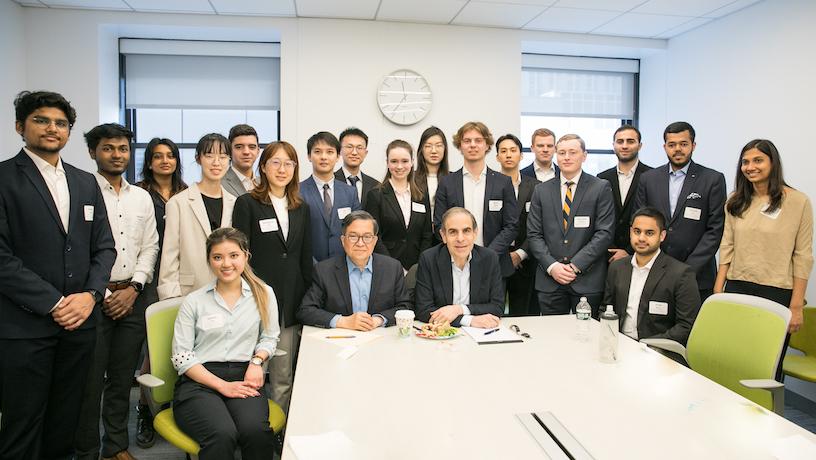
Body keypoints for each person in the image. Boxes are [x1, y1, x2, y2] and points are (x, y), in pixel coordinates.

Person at [0, 90, 116, 459]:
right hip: (24, 327)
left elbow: (104, 248)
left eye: (61, 123)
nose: (52, 128)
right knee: (22, 424)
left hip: (79, 326)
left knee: (66, 423)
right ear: (20, 126)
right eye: (41, 120)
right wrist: (53, 302)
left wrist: (90, 296)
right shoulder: (4, 178)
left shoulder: (85, 182)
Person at [73, 123, 159, 460]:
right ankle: (87, 450)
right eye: (108, 148)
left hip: (133, 297)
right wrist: (105, 294)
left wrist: (135, 286)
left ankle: (116, 447)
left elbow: (150, 246)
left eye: (122, 148)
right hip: (93, 299)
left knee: (123, 379)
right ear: (93, 152)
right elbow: (77, 249)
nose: (116, 154)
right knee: (90, 381)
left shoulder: (141, 197)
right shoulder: (81, 191)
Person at [171, 227, 280, 460]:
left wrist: (257, 361)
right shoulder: (195, 301)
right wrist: (222, 385)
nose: (226, 263)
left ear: (245, 256)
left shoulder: (264, 293)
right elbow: (182, 356)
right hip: (200, 380)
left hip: (244, 375)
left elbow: (270, 337)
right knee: (221, 434)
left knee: (256, 432)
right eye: (217, 257)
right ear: (209, 261)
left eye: (233, 255)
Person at [715, 139, 813, 379]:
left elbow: (803, 256)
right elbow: (727, 246)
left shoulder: (797, 202)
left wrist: (797, 305)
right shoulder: (735, 201)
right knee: (735, 358)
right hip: (737, 288)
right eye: (745, 162)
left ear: (773, 163)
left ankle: (767, 414)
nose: (750, 167)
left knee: (768, 365)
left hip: (777, 291)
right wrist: (718, 290)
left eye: (758, 160)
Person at [232, 141, 312, 414]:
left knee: (283, 373)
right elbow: (239, 256)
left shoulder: (301, 207)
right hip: (256, 300)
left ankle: (277, 430)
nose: (282, 169)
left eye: (288, 163)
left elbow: (304, 256)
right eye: (275, 162)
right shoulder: (247, 204)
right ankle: (251, 425)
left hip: (290, 300)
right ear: (263, 167)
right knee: (251, 370)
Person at [134, 136, 188, 448]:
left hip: (181, 275)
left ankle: (174, 408)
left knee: (180, 345)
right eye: (158, 156)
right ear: (149, 161)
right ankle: (146, 409)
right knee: (153, 348)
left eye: (170, 155)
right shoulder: (140, 193)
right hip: (150, 276)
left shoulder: (185, 192)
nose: (164, 161)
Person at [634, 121, 726, 301]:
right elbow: (640, 221)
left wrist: (687, 269)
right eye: (672, 144)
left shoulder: (712, 179)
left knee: (695, 328)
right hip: (654, 270)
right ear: (664, 147)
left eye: (683, 144)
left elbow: (715, 229)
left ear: (693, 145)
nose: (677, 149)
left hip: (696, 275)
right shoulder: (648, 179)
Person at [527, 134, 615, 317]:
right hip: (550, 280)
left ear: (584, 155)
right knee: (552, 338)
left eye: (572, 152)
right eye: (562, 152)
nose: (566, 157)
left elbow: (604, 233)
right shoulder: (541, 191)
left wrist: (575, 266)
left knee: (586, 338)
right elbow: (534, 234)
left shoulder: (600, 187)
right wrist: (553, 267)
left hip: (586, 279)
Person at [297, 211, 411, 329]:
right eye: (353, 236)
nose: (360, 243)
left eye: (367, 237)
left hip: (380, 337)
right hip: (339, 339)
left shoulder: (392, 268)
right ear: (343, 240)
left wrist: (378, 320)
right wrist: (343, 321)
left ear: (374, 241)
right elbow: (306, 311)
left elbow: (405, 306)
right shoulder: (324, 270)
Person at [603, 207, 700, 345]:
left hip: (658, 353)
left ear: (662, 235)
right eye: (637, 232)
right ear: (630, 232)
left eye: (649, 233)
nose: (641, 238)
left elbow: (686, 326)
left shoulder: (681, 274)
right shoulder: (617, 268)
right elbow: (606, 309)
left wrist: (647, 346)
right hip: (619, 346)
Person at [158, 133, 237, 300]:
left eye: (223, 157)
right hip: (189, 292)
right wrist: (170, 296)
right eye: (209, 156)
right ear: (198, 158)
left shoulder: (234, 202)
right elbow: (169, 255)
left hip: (226, 291)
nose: (216, 162)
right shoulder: (178, 203)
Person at [433, 121, 518, 265]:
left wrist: (489, 255)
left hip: (494, 262)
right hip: (455, 261)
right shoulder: (447, 183)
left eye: (478, 140)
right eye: (467, 141)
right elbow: (439, 225)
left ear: (487, 145)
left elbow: (511, 226)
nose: (473, 145)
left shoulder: (503, 183)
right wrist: (460, 250)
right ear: (460, 146)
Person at [415, 207, 504, 328]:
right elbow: (424, 310)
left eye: (466, 231)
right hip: (441, 336)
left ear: (475, 233)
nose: (460, 239)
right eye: (453, 232)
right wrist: (468, 320)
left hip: (480, 334)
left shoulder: (489, 259)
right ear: (443, 236)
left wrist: (459, 309)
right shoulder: (429, 259)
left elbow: (497, 307)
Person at [364, 139, 433, 271]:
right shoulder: (375, 195)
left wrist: (419, 265)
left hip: (417, 267)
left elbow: (427, 234)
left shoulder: (421, 195)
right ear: (387, 163)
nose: (399, 166)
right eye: (394, 161)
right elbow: (373, 235)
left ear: (412, 162)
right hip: (385, 266)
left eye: (405, 161)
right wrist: (392, 266)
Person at [496, 134, 540, 315]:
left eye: (513, 151)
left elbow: (539, 226)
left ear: (521, 155)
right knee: (493, 314)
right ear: (497, 156)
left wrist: (521, 254)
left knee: (524, 316)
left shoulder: (537, 187)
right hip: (496, 260)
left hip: (526, 262)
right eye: (503, 151)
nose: (508, 155)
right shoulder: (489, 185)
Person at [300, 131, 361, 262]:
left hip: (345, 265)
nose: (324, 157)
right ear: (309, 156)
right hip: (310, 267)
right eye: (317, 152)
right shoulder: (298, 192)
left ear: (338, 156)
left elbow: (357, 230)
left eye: (330, 152)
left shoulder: (350, 192)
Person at [597, 125, 652, 261]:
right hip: (606, 253)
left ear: (640, 145)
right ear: (614, 145)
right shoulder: (602, 178)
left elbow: (654, 217)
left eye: (630, 141)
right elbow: (597, 216)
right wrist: (610, 249)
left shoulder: (652, 177)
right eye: (620, 141)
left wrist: (629, 251)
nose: (625, 146)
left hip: (640, 252)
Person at [335, 127, 380, 207]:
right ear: (340, 150)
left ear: (365, 153)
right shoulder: (330, 181)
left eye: (359, 148)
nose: (354, 152)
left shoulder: (376, 185)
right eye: (349, 147)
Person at [414, 126, 450, 218]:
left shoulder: (453, 179)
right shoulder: (411, 179)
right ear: (421, 150)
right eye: (428, 146)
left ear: (445, 149)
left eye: (439, 145)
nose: (434, 151)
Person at [222, 124, 260, 197]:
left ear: (258, 151)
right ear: (229, 151)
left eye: (251, 147)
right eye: (239, 147)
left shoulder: (266, 184)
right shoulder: (219, 183)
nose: (246, 152)